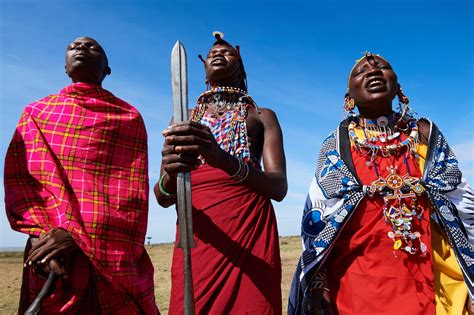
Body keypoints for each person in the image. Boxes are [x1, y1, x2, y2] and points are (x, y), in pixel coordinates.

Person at [288, 53, 473, 315]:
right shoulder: (337, 143)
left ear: (398, 88)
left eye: (382, 67)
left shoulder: (424, 133)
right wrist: (318, 283)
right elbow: (317, 217)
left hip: (433, 277)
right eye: (361, 71)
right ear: (348, 97)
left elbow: (462, 202)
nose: (373, 70)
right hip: (357, 278)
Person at [4, 37, 159, 314]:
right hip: (49, 251)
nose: (81, 47)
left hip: (111, 253)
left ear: (107, 70)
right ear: (64, 67)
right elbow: (21, 183)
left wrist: (74, 236)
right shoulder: (36, 113)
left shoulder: (128, 117)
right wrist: (42, 235)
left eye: (93, 47)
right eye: (73, 46)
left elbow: (131, 197)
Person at [155, 32, 287, 314]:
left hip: (250, 232)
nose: (217, 53)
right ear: (203, 69)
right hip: (199, 235)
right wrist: (169, 170)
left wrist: (222, 159)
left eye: (228, 52)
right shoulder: (184, 118)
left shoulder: (262, 116)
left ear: (241, 69)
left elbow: (278, 188)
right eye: (212, 52)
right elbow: (163, 196)